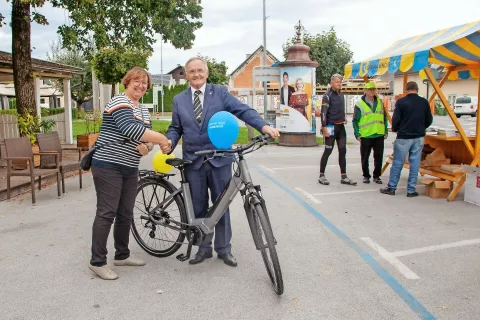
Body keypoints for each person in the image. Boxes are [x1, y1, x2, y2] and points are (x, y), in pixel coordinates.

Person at [163, 57, 280, 267]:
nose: (196, 74)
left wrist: (263, 126)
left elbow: (242, 110)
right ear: (186, 75)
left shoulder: (220, 93)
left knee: (221, 205)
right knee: (199, 206)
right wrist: (170, 142)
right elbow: (175, 128)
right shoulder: (179, 100)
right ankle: (203, 248)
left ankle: (224, 249)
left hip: (219, 159)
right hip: (193, 161)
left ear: (206, 73)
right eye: (192, 71)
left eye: (200, 70)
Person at [89, 67, 170, 280]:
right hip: (108, 164)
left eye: (145, 83)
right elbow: (131, 129)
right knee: (107, 212)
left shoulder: (143, 109)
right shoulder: (119, 101)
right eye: (137, 81)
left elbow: (147, 138)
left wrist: (150, 146)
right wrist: (161, 139)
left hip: (129, 166)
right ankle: (97, 261)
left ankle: (122, 255)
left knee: (125, 212)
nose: (141, 85)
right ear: (128, 81)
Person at [380, 81, 433, 197]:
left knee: (398, 163)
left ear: (406, 90)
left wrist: (396, 129)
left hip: (404, 136)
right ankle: (411, 190)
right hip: (418, 136)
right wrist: (422, 127)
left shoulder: (401, 102)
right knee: (414, 164)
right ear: (417, 89)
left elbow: (396, 120)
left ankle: (392, 187)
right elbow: (429, 119)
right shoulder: (424, 102)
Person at [317, 74, 357, 186]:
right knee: (328, 150)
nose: (339, 83)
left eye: (341, 82)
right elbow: (323, 113)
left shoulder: (341, 94)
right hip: (330, 126)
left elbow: (339, 109)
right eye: (337, 82)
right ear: (331, 83)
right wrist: (324, 127)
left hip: (340, 127)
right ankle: (321, 175)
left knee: (343, 151)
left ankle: (344, 176)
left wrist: (343, 118)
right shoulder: (327, 95)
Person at [352, 82, 388, 184]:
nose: (372, 91)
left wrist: (385, 131)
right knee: (365, 157)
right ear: (365, 91)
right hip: (366, 134)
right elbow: (355, 120)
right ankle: (366, 175)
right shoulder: (359, 104)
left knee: (379, 157)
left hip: (379, 134)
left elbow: (384, 118)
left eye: (373, 89)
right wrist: (357, 134)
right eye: (370, 89)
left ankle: (377, 176)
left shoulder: (380, 102)